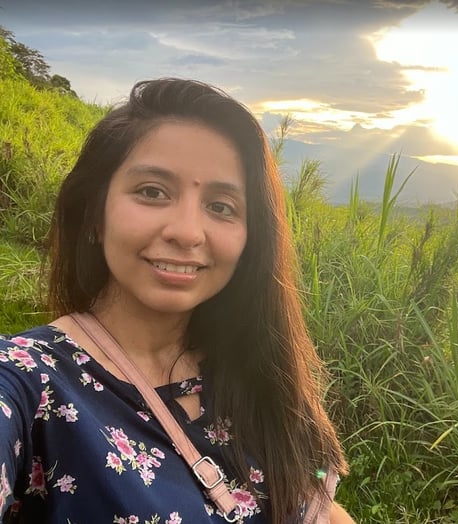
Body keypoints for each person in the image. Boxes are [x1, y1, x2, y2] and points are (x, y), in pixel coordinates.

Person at [0, 78, 354, 523]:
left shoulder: (257, 370)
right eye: (152, 191)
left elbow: (320, 508)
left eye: (221, 206)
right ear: (93, 214)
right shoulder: (28, 383)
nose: (187, 232)